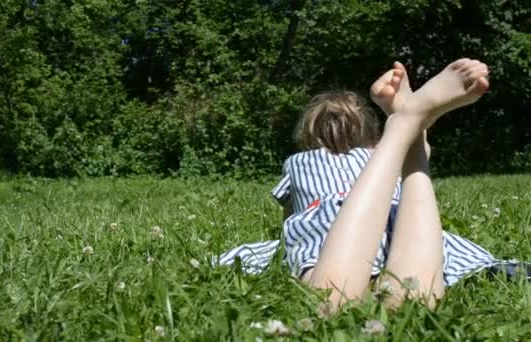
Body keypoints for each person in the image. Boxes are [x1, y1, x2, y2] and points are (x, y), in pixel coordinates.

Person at [218, 58, 525, 309]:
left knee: (332, 298)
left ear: (308, 139)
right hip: (399, 220)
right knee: (414, 302)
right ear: (371, 138)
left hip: (326, 220)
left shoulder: (297, 164)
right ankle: (413, 138)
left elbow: (289, 221)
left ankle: (406, 122)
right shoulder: (376, 156)